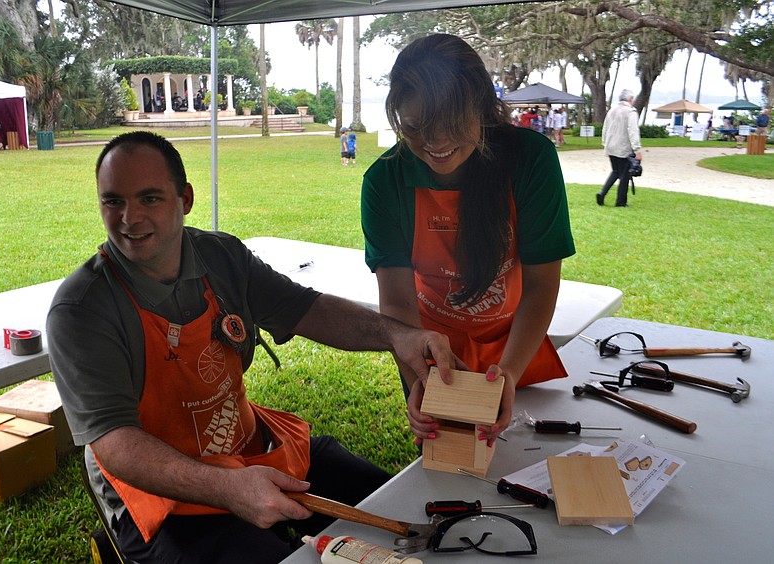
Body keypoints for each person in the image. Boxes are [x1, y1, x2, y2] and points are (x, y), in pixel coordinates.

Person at [47, 131, 457, 563]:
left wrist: (397, 335)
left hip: (251, 452)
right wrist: (227, 488)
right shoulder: (82, 310)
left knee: (398, 506)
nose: (129, 218)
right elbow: (116, 446)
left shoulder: (221, 257)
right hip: (158, 495)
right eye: (113, 201)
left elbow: (306, 308)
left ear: (184, 198)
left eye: (149, 198)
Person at [360, 34, 576, 449]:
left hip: (511, 339)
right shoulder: (385, 181)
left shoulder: (531, 159)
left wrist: (509, 373)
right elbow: (398, 303)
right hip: (429, 343)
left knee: (521, 452)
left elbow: (542, 285)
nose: (436, 143)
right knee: (447, 456)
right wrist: (420, 378)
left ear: (482, 108)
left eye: (452, 125)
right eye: (415, 128)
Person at [597, 89, 642, 207]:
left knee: (616, 171)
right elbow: (633, 131)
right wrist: (637, 149)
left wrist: (605, 145)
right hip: (623, 147)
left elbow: (605, 128)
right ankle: (621, 202)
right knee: (625, 175)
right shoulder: (630, 112)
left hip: (611, 146)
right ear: (631, 99)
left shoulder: (612, 110)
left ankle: (603, 192)